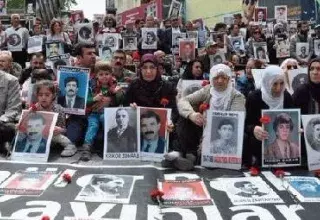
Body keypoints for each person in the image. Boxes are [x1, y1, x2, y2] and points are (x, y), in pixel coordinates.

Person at [172, 64, 245, 170]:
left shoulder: (237, 96)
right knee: (185, 118)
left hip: (225, 132)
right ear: (211, 78)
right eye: (216, 78)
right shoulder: (207, 90)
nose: (220, 81)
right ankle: (189, 156)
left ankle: (192, 157)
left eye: (223, 78)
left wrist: (210, 133)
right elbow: (183, 101)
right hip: (204, 128)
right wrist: (192, 114)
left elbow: (236, 120)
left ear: (229, 79)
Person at [245, 66, 294, 166]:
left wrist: (297, 129)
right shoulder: (255, 97)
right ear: (267, 82)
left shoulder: (287, 97)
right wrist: (254, 129)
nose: (278, 88)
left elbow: (293, 119)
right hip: (261, 141)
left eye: (281, 83)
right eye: (274, 84)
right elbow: (246, 124)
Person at [82, 62, 124, 160]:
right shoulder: (91, 86)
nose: (104, 77)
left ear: (111, 74)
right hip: (94, 113)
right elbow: (85, 101)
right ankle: (87, 148)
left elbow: (119, 102)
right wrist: (93, 99)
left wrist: (117, 94)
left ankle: (110, 144)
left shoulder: (115, 85)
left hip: (108, 113)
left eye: (107, 74)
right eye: (101, 74)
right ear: (96, 75)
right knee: (93, 126)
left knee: (105, 119)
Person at [33, 80, 77, 157]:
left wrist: (59, 129)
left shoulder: (59, 109)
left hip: (52, 136)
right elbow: (26, 122)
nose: (43, 97)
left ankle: (70, 146)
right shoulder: (33, 108)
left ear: (53, 96)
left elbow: (63, 129)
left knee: (57, 136)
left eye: (47, 95)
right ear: (37, 96)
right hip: (36, 136)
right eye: (40, 95)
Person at [0, 69, 21, 153]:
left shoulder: (11, 80)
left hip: (2, 122)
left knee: (8, 128)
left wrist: (1, 120)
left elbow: (13, 109)